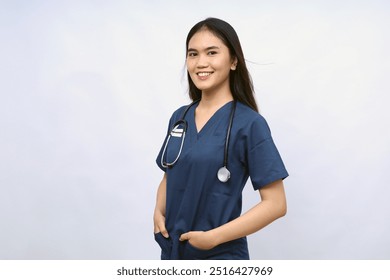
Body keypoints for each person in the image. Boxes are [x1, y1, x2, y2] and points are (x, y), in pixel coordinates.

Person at [154, 17, 288, 260]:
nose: (200, 62)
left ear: (234, 61)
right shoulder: (179, 118)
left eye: (211, 52)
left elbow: (276, 204)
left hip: (220, 257)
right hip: (173, 253)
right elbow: (169, 174)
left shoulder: (250, 124)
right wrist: (158, 212)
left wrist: (214, 237)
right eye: (193, 54)